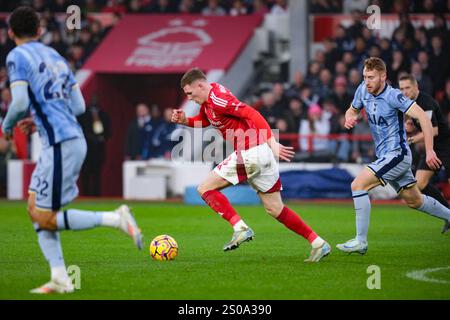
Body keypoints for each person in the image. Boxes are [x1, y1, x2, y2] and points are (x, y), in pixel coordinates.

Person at [2, 7, 142, 294]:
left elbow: (17, 103)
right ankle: (59, 277)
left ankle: (116, 218)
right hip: (65, 139)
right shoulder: (56, 57)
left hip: (61, 144)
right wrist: (41, 120)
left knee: (45, 216)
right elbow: (78, 106)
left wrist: (7, 127)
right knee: (34, 208)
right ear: (40, 31)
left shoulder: (16, 56)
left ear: (10, 32)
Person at [171, 68, 331, 262]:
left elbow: (251, 112)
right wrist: (185, 120)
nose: (189, 98)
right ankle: (318, 243)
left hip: (251, 152)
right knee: (275, 208)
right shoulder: (209, 101)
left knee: (205, 188)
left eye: (190, 93)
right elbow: (206, 121)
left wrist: (273, 142)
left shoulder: (219, 98)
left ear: (200, 85)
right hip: (260, 154)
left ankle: (240, 228)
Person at [337, 57, 450, 255]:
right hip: (386, 156)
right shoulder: (362, 90)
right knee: (414, 200)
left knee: (358, 185)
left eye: (371, 77)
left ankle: (360, 241)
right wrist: (350, 117)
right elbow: (352, 109)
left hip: (397, 154)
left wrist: (430, 150)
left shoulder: (393, 96)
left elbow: (423, 117)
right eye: (365, 77)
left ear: (383, 76)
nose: (367, 81)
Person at [398, 74, 450, 208]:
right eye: (402, 89)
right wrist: (409, 124)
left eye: (408, 88)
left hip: (446, 146)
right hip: (431, 147)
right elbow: (412, 124)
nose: (404, 92)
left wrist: (411, 139)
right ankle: (448, 212)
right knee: (420, 184)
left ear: (416, 87)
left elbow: (433, 131)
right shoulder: (409, 104)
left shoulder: (426, 102)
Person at [78, 95, 111, 196]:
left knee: (97, 176)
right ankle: (86, 195)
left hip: (98, 151)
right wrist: (90, 138)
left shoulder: (103, 115)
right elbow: (80, 129)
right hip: (86, 150)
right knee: (86, 175)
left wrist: (102, 138)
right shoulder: (83, 115)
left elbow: (108, 132)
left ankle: (97, 195)